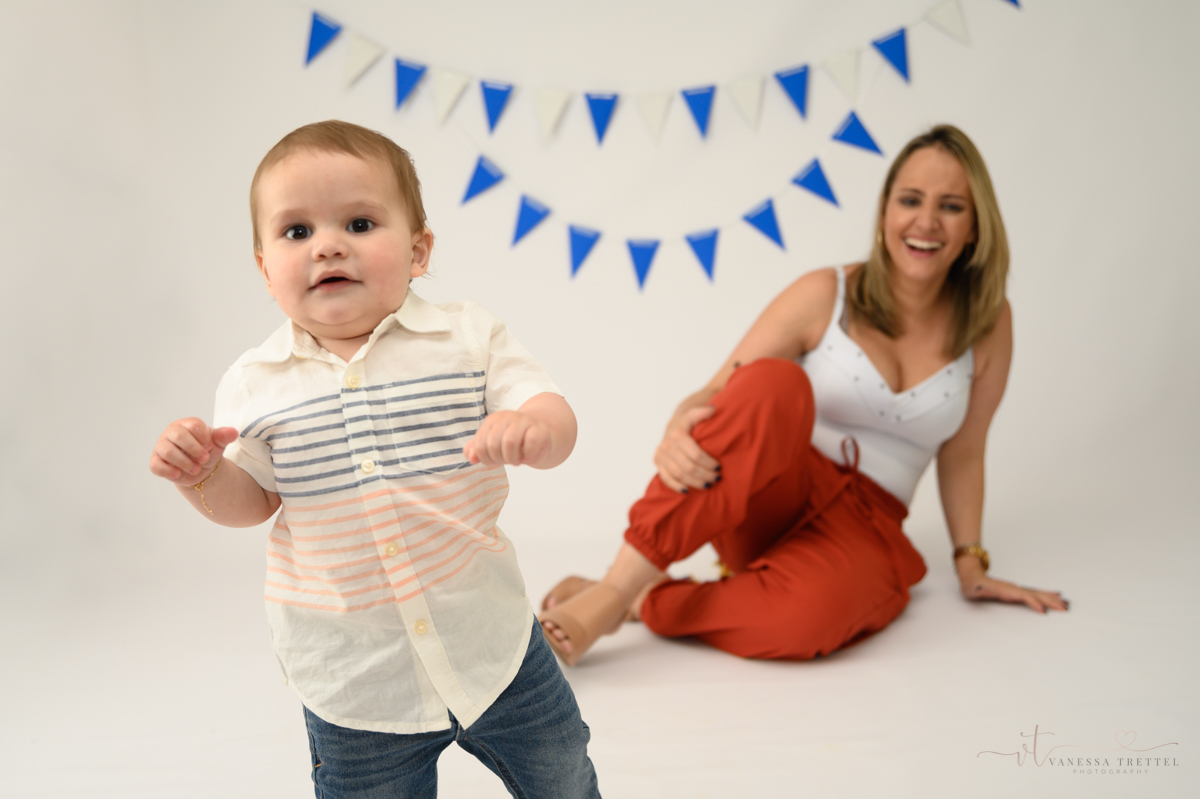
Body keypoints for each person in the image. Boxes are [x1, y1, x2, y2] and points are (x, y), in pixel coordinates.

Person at [149, 121, 600, 798]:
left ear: (418, 250)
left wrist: (534, 427)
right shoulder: (256, 381)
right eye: (296, 232)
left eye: (359, 222)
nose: (327, 244)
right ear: (264, 266)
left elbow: (556, 418)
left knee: (561, 771)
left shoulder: (466, 338)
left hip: (492, 643)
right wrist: (204, 476)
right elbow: (254, 502)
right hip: (356, 674)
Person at [540, 124, 1068, 666]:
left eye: (951, 206)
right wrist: (677, 428)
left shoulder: (990, 323)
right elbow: (719, 393)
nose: (926, 222)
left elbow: (966, 450)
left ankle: (648, 599)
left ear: (976, 226)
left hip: (868, 526)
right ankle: (612, 590)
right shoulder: (825, 293)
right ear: (886, 211)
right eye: (910, 200)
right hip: (770, 491)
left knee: (804, 621)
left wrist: (970, 564)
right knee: (774, 382)